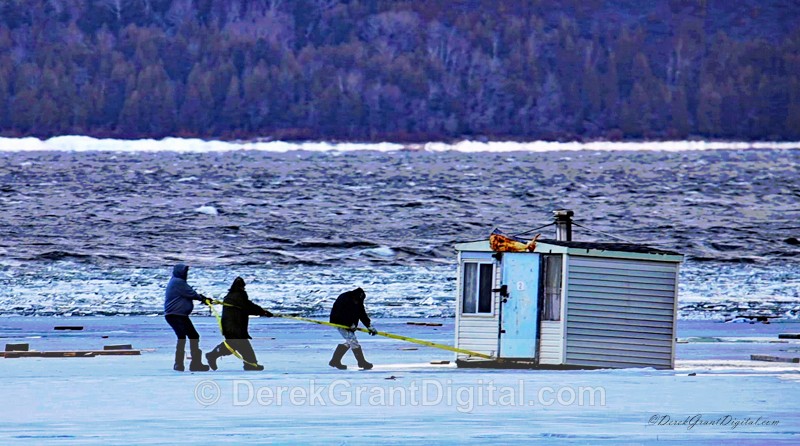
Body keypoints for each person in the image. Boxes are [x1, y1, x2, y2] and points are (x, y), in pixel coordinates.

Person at [205, 276, 274, 371]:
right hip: (234, 327)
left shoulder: (230, 296)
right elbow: (248, 307)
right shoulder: (240, 296)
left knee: (238, 344)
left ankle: (250, 364)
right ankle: (213, 355)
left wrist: (262, 312)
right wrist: (264, 312)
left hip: (229, 326)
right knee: (240, 344)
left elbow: (246, 307)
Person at [164, 263, 211, 372]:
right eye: (184, 272)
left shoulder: (175, 282)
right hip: (177, 315)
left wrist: (202, 298)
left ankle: (180, 364)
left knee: (183, 337)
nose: (185, 274)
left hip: (176, 315)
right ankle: (193, 364)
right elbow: (192, 294)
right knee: (192, 336)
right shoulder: (178, 282)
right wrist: (203, 298)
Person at [328, 287, 377, 370]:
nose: (358, 302)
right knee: (353, 340)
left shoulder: (358, 300)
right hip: (340, 322)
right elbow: (341, 313)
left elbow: (362, 313)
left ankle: (335, 361)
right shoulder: (344, 298)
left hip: (349, 324)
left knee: (350, 341)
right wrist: (348, 324)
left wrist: (369, 326)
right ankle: (361, 362)